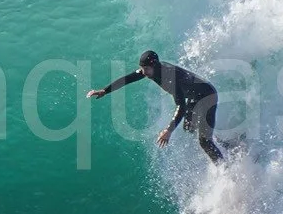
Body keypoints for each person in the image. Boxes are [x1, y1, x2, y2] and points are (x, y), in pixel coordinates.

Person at [89, 50, 224, 162]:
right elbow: (128, 78)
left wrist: (169, 130)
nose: (144, 72)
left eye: (146, 69)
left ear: (155, 65)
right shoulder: (150, 70)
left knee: (204, 141)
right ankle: (224, 143)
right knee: (189, 128)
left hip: (207, 96)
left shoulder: (169, 77)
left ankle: (224, 169)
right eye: (142, 68)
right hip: (195, 97)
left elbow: (181, 106)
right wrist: (105, 90)